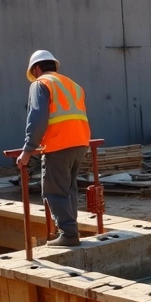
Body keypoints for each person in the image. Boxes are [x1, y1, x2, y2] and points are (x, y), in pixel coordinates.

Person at [16, 50, 91, 247]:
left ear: (36, 68)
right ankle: (71, 230)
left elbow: (37, 118)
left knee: (54, 190)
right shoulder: (73, 85)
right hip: (81, 142)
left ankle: (68, 234)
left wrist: (28, 149)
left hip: (59, 143)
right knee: (68, 189)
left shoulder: (40, 84)